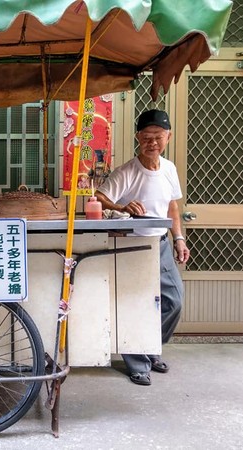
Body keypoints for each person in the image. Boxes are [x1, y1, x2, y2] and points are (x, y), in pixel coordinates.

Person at [95, 109, 191, 386]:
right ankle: (138, 363)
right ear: (138, 138)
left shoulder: (169, 169)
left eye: (158, 137)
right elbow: (99, 199)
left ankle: (150, 347)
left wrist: (179, 238)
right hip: (132, 245)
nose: (153, 143)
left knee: (174, 300)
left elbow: (173, 206)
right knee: (135, 304)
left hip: (159, 244)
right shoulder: (127, 172)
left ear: (168, 137)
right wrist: (121, 206)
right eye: (147, 137)